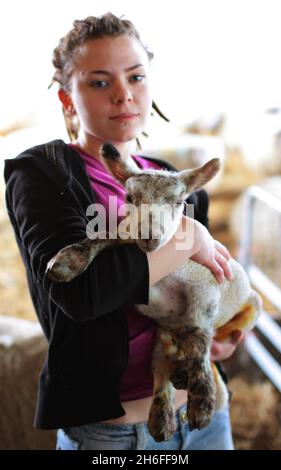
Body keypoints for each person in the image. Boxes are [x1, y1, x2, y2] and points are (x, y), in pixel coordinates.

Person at [4, 13, 242, 450]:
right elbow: (78, 291)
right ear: (67, 98)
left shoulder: (174, 180)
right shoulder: (43, 174)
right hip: (112, 433)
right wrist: (188, 238)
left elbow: (201, 283)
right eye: (99, 82)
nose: (123, 95)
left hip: (204, 417)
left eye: (135, 77)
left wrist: (220, 331)